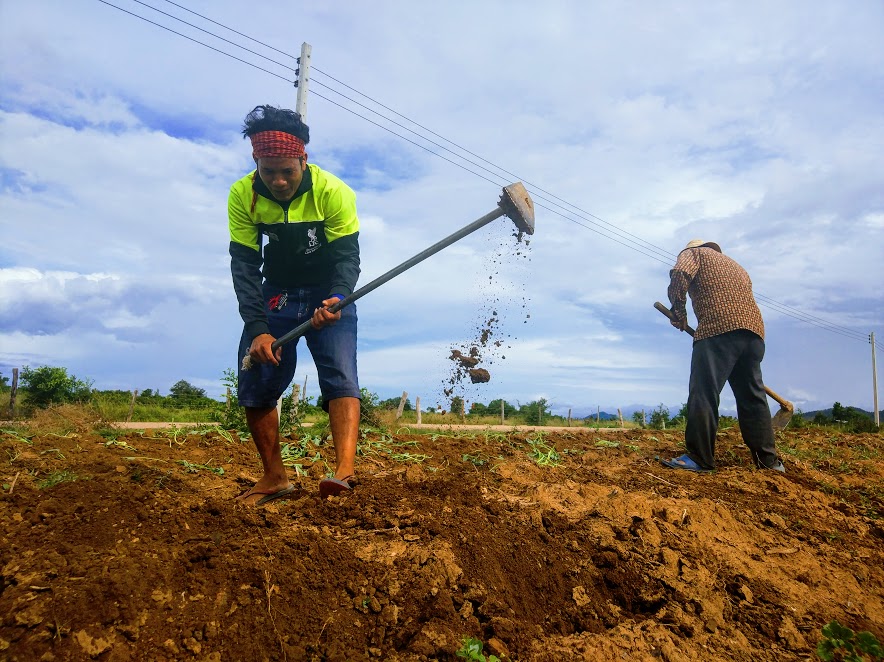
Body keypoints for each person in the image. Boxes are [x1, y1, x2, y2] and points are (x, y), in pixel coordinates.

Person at [228, 104, 362, 503]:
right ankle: (274, 477)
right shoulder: (242, 195)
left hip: (328, 289)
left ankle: (344, 474)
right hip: (278, 292)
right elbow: (245, 266)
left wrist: (337, 299)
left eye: (288, 170)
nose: (280, 181)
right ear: (256, 162)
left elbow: (347, 258)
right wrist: (258, 329)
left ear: (304, 159)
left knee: (340, 374)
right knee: (256, 382)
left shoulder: (333, 192)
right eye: (269, 172)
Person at [660, 239, 785, 473]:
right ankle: (769, 463)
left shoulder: (694, 254)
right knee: (752, 397)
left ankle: (700, 457)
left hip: (718, 329)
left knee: (704, 392)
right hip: (754, 334)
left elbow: (679, 273)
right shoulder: (737, 266)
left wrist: (678, 311)